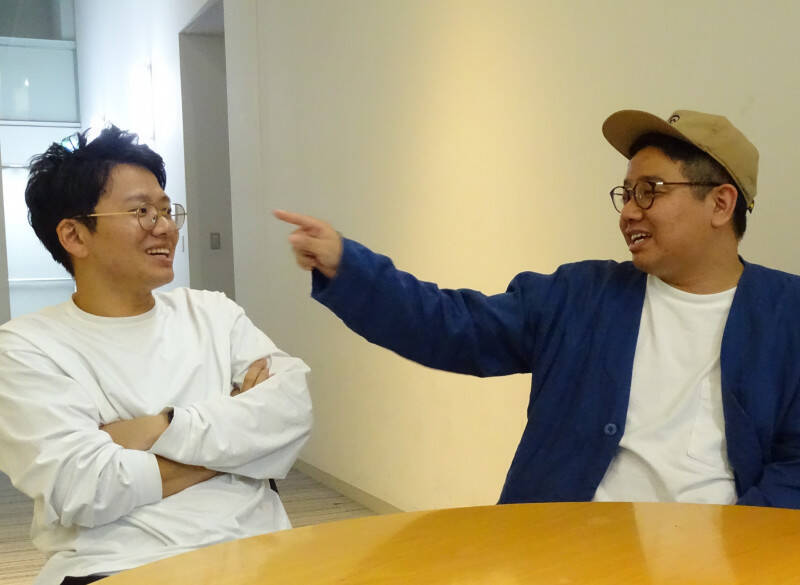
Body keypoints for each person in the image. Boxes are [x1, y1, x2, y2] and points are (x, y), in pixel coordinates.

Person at [275, 108, 800, 509]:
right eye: (625, 193)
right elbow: (453, 326)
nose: (629, 212)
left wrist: (730, 547)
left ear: (721, 204)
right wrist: (349, 267)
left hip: (715, 558)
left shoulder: (788, 315)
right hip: (564, 550)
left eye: (650, 191)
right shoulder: (580, 295)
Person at [0, 127, 313, 585]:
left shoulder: (213, 312)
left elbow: (292, 411)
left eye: (167, 210)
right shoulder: (26, 347)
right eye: (141, 212)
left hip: (260, 553)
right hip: (116, 566)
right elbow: (82, 488)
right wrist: (236, 445)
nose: (165, 227)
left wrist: (157, 427)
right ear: (74, 235)